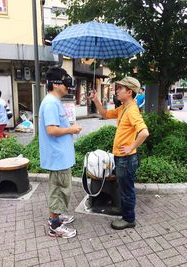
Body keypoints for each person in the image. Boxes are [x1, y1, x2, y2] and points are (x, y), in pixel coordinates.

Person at [90, 77, 149, 230]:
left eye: (120, 88)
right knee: (122, 186)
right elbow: (104, 114)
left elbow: (144, 132)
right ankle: (124, 209)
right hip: (121, 157)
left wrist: (131, 147)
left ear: (129, 92)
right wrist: (96, 99)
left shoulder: (132, 111)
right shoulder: (123, 108)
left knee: (127, 189)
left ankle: (129, 219)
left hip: (127, 158)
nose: (117, 90)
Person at [39, 67, 82, 238]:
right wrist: (71, 129)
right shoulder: (50, 103)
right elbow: (51, 130)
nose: (68, 86)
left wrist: (69, 129)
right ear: (56, 84)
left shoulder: (55, 101)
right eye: (65, 81)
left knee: (62, 188)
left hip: (61, 155)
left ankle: (58, 214)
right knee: (59, 189)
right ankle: (54, 225)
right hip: (58, 157)